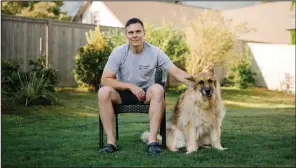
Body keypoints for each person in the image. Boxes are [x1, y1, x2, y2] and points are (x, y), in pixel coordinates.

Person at [98, 18, 193, 154]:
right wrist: (131, 86)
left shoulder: (155, 52)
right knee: (103, 92)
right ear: (126, 35)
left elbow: (177, 72)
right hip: (122, 94)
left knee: (158, 89)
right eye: (131, 32)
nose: (135, 35)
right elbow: (105, 79)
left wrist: (197, 83)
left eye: (138, 31)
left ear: (144, 33)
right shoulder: (118, 53)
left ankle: (153, 141)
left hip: (146, 94)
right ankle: (111, 142)